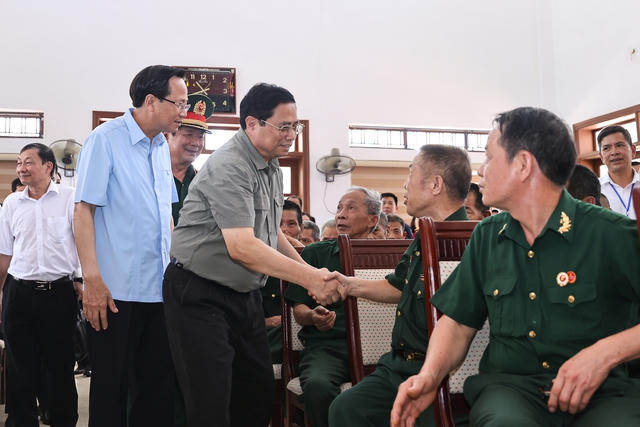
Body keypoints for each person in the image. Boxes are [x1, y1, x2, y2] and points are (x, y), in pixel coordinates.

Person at [391, 107, 640, 427]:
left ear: (523, 165)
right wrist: (429, 375)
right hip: (512, 391)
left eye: (489, 157)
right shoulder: (487, 236)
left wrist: (605, 354)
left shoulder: (611, 234)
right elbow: (457, 324)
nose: (480, 170)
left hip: (603, 393)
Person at [163, 83, 342, 427]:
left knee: (255, 394)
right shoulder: (230, 165)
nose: (291, 135)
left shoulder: (270, 165)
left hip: (244, 294)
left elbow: (270, 231)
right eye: (283, 126)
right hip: (199, 293)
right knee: (211, 401)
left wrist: (309, 272)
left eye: (295, 126)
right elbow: (242, 246)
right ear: (251, 123)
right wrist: (311, 278)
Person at [328, 144, 471, 427]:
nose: (404, 185)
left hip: (442, 371)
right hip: (398, 366)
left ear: (435, 184)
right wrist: (346, 284)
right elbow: (398, 286)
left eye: (411, 173)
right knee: (346, 409)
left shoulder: (468, 242)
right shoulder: (424, 235)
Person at [74, 65, 184, 427]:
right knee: (111, 393)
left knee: (155, 392)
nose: (183, 112)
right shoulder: (105, 140)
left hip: (158, 292)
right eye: (179, 103)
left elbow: (165, 217)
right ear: (151, 101)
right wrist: (92, 280)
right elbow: (83, 211)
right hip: (114, 293)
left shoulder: (161, 146)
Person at [286, 186, 381, 427]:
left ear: (373, 220)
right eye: (339, 208)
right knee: (318, 386)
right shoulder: (315, 254)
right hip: (328, 347)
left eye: (351, 208)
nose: (341, 214)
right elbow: (299, 310)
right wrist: (313, 316)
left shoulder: (387, 255)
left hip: (381, 348)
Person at [0, 143, 80, 427]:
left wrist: (81, 279)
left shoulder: (69, 198)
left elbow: (81, 243)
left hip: (58, 293)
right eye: (19, 163)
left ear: (48, 166)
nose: (21, 168)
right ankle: (21, 421)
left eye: (28, 162)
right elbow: (5, 253)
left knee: (60, 364)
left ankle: (62, 420)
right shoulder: (12, 203)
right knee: (19, 365)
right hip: (19, 293)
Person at [168, 93, 213, 225]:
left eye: (200, 137)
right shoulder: (152, 177)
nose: (196, 143)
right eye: (189, 134)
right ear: (168, 135)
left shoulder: (204, 183)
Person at [598, 125, 639, 218]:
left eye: (619, 145)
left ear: (633, 150)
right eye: (606, 148)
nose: (614, 152)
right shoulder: (594, 190)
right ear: (601, 157)